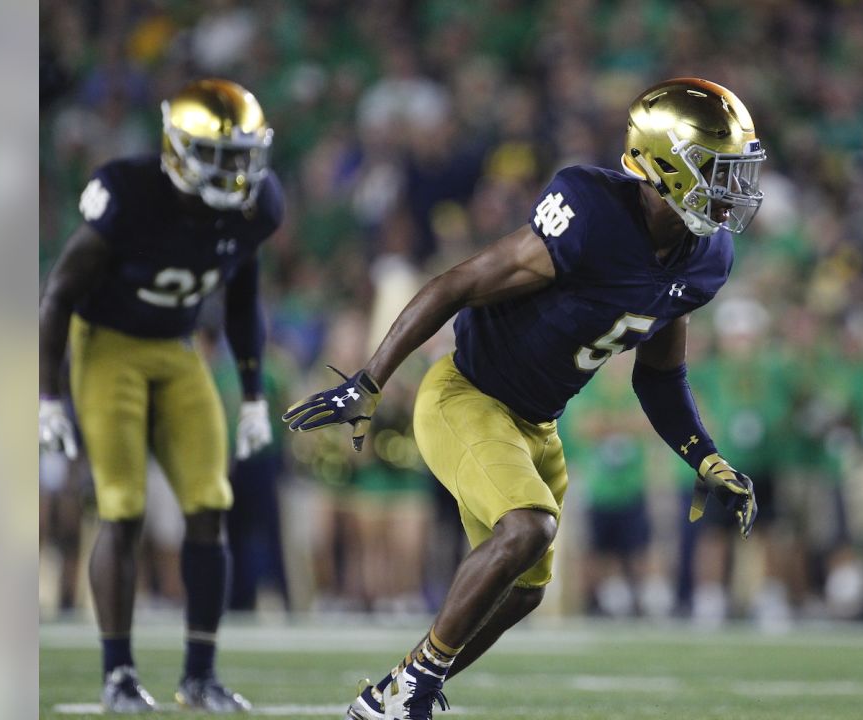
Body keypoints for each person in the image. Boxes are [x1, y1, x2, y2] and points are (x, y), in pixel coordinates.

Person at [284, 77, 763, 720]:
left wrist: (706, 458)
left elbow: (658, 375)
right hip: (467, 396)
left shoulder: (707, 256)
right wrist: (371, 379)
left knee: (526, 592)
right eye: (717, 170)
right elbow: (458, 283)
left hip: (539, 425)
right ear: (667, 165)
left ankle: (396, 690)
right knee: (529, 528)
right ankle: (409, 692)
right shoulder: (591, 212)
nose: (732, 191)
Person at [38, 78, 284, 713]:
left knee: (209, 500)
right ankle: (118, 673)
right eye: (223, 156)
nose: (237, 171)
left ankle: (199, 675)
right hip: (109, 346)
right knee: (122, 505)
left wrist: (254, 392)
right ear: (177, 149)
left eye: (244, 155)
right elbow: (59, 293)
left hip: (179, 349)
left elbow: (243, 297)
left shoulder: (257, 206)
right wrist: (46, 395)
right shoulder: (127, 193)